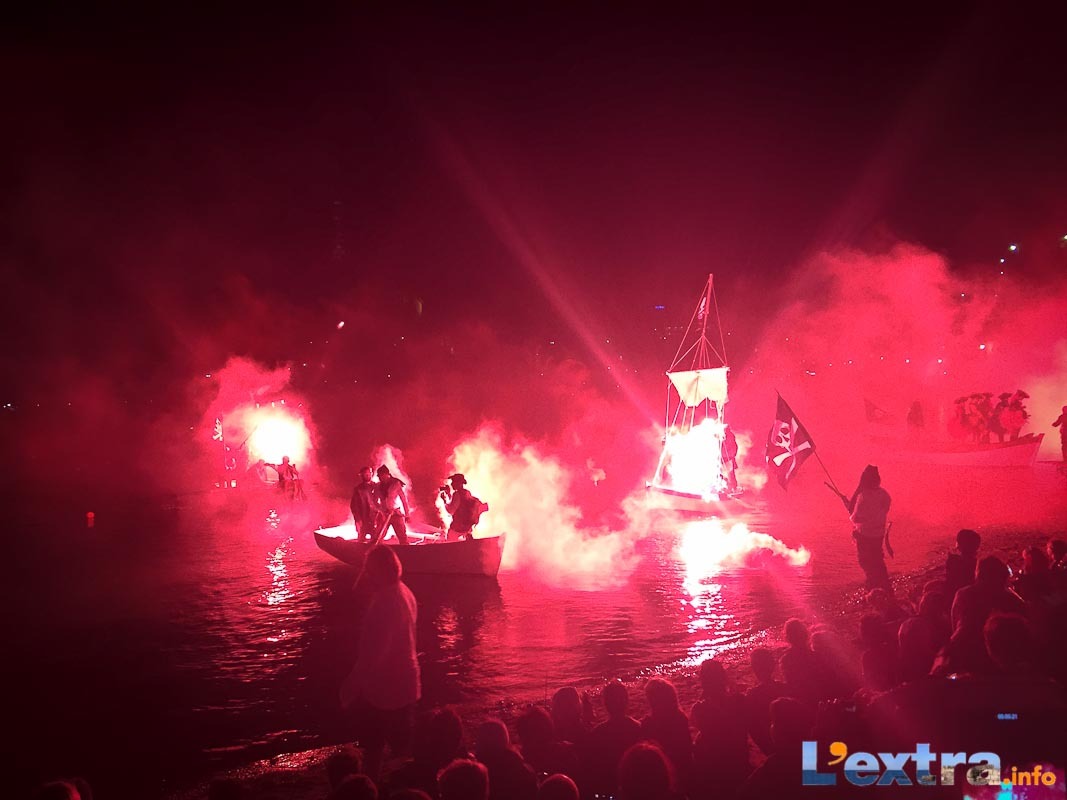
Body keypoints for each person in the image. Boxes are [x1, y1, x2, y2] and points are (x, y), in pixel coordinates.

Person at [340, 546, 420, 780]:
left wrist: (349, 689)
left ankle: (371, 788)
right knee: (402, 749)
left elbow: (372, 656)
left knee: (373, 747)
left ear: (377, 572)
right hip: (407, 684)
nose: (366, 574)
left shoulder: (383, 605)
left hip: (386, 692)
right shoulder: (405, 592)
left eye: (369, 570)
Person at [840, 465, 892, 591]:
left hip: (865, 536)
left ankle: (873, 587)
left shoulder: (863, 496)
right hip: (879, 534)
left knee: (866, 562)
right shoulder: (885, 494)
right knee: (878, 560)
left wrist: (849, 508)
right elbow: (880, 512)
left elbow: (855, 518)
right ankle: (885, 586)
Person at [441, 474, 485, 541]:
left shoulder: (457, 494)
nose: (451, 484)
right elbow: (459, 505)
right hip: (467, 528)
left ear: (458, 483)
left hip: (457, 528)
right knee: (467, 544)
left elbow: (451, 510)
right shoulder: (467, 493)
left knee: (449, 543)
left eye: (453, 481)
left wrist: (444, 501)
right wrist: (449, 495)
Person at [375, 465, 410, 545]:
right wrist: (381, 510)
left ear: (387, 474)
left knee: (402, 538)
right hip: (384, 515)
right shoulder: (378, 486)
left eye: (382, 475)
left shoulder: (396, 484)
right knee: (378, 537)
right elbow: (374, 501)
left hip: (396, 514)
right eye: (379, 476)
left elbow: (403, 499)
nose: (380, 478)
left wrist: (407, 514)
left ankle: (406, 551)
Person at [350, 466, 381, 543]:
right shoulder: (358, 489)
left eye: (369, 473)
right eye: (365, 473)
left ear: (372, 473)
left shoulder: (377, 487)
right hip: (363, 519)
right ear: (362, 475)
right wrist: (358, 519)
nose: (367, 475)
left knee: (376, 541)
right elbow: (354, 506)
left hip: (375, 518)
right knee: (361, 540)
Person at [721, 426, 739, 492]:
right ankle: (729, 486)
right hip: (726, 456)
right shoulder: (729, 436)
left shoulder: (729, 437)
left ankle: (732, 487)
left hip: (727, 457)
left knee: (730, 473)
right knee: (728, 472)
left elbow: (727, 446)